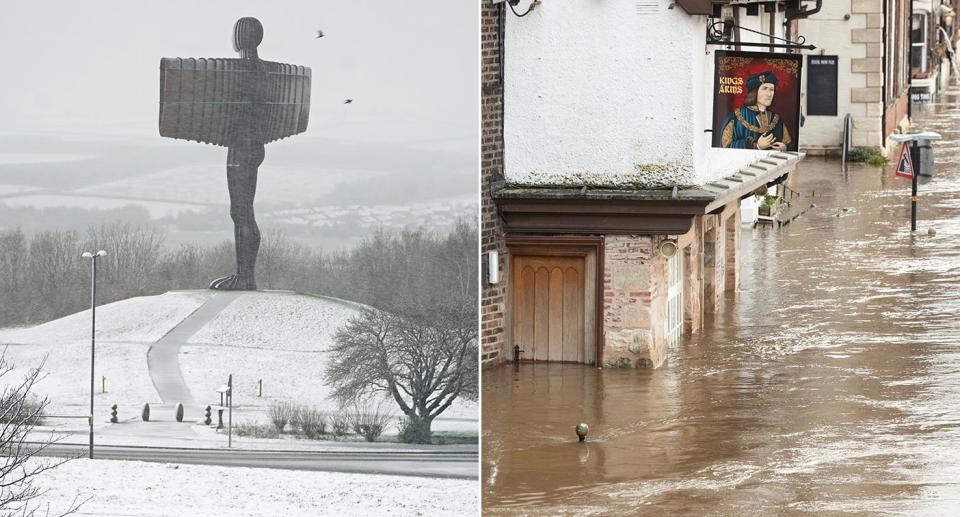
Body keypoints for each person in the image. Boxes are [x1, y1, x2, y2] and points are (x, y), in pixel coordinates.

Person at [719, 70, 792, 151]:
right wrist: (756, 146)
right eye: (764, 88)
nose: (769, 94)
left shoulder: (777, 120)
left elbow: (790, 144)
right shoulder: (734, 118)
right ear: (754, 92)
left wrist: (785, 147)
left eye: (771, 89)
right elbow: (724, 148)